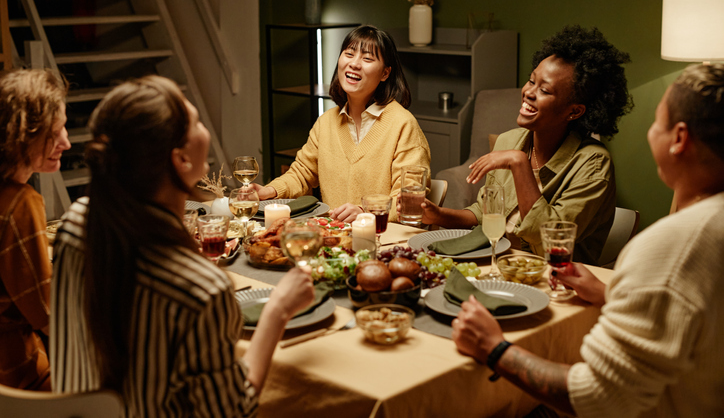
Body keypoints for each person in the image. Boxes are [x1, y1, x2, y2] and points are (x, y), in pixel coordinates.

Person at [452, 63, 724, 417]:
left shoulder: (670, 248)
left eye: (656, 121)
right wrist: (609, 294)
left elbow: (597, 397)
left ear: (679, 139)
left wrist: (492, 347)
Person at [50, 76, 315, 417]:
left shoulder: (76, 222)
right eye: (196, 121)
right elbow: (232, 410)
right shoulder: (201, 289)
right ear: (182, 161)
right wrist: (278, 309)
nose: (203, 126)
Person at [418, 25, 632, 265]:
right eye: (531, 81)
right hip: (500, 263)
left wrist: (519, 164)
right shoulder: (508, 140)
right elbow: (486, 214)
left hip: (557, 278)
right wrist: (440, 215)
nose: (529, 92)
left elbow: (552, 242)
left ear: (574, 111)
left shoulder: (593, 163)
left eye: (544, 90)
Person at [253, 25, 431, 223]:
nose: (354, 64)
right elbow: (301, 174)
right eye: (349, 54)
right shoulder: (326, 122)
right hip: (334, 240)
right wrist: (268, 191)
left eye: (367, 58)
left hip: (384, 242)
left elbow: (408, 200)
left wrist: (365, 212)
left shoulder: (403, 125)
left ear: (385, 73)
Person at [0, 69, 70, 390]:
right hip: (19, 379)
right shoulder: (20, 203)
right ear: (27, 134)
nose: (66, 142)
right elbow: (50, 316)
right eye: (55, 133)